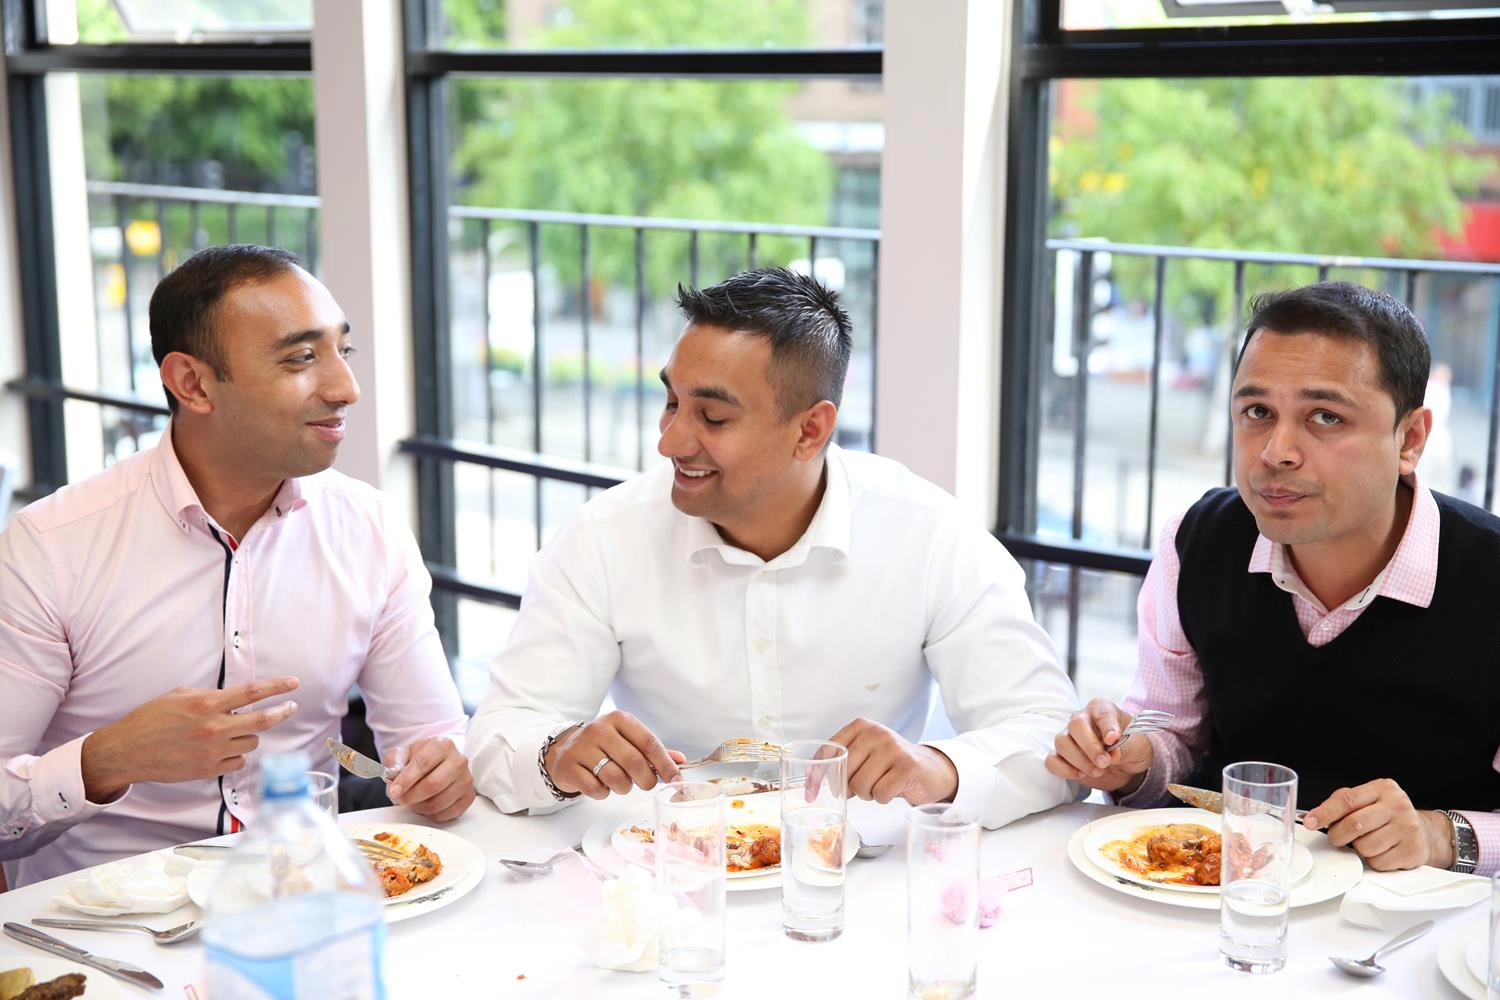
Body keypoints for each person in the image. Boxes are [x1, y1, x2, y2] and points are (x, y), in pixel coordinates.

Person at [468, 267, 1079, 827]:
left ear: (810, 430)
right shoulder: (604, 537)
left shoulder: (928, 534)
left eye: (712, 417)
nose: (670, 441)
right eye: (671, 403)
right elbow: (499, 734)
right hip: (667, 878)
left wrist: (938, 769)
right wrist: (556, 755)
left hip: (863, 882)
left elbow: (1049, 732)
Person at [0, 245, 474, 887]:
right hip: (109, 933)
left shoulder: (370, 527)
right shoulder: (52, 545)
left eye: (343, 350)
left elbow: (433, 735)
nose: (346, 388)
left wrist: (443, 768)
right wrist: (107, 759)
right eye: (301, 358)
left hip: (307, 901)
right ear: (192, 383)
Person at [1048, 281, 1500, 874]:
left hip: (1417, 931)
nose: (1277, 452)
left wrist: (1440, 835)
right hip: (1229, 895)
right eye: (1257, 412)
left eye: (1325, 417)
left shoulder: (1488, 575)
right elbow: (1175, 736)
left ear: (1410, 438)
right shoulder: (1198, 541)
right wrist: (1130, 759)